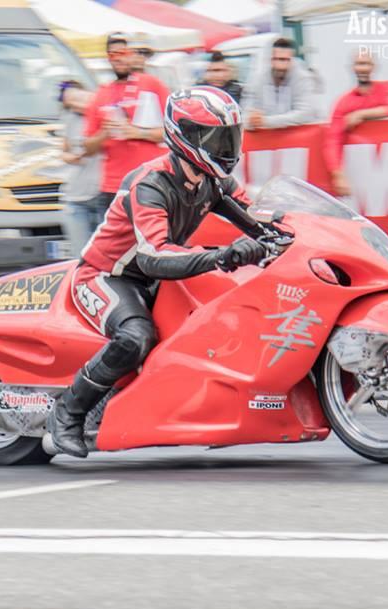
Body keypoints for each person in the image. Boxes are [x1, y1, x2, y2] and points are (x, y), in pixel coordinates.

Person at [46, 87, 268, 458]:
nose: (225, 147)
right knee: (136, 337)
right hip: (107, 275)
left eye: (229, 137)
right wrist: (222, 256)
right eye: (215, 138)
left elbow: (259, 217)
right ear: (186, 137)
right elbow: (153, 256)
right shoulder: (150, 183)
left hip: (155, 278)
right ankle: (67, 412)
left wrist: (296, 230)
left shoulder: (213, 181)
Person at [82, 32, 171, 218]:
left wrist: (138, 132)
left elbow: (174, 132)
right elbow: (87, 148)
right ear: (108, 59)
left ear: (131, 54)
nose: (118, 58)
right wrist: (104, 133)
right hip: (114, 188)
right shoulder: (101, 94)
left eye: (123, 52)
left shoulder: (152, 85)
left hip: (152, 182)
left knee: (155, 235)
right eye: (113, 54)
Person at [324, 52, 388, 196]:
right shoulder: (343, 102)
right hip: (360, 169)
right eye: (359, 64)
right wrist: (338, 175)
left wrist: (360, 114)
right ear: (352, 68)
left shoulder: (386, 87)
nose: (363, 68)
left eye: (366, 64)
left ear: (373, 67)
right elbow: (333, 139)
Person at [58, 80, 104, 254]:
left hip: (101, 194)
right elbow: (64, 152)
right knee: (80, 255)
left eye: (77, 99)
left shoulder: (104, 117)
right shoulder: (70, 119)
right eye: (69, 103)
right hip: (75, 196)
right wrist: (71, 157)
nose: (75, 106)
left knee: (103, 254)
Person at [242, 37, 317, 130]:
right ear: (271, 59)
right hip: (268, 135)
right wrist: (251, 120)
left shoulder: (302, 78)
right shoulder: (259, 78)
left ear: (292, 59)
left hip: (296, 134)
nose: (281, 64)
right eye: (277, 59)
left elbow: (305, 113)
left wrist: (266, 121)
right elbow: (246, 111)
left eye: (285, 59)